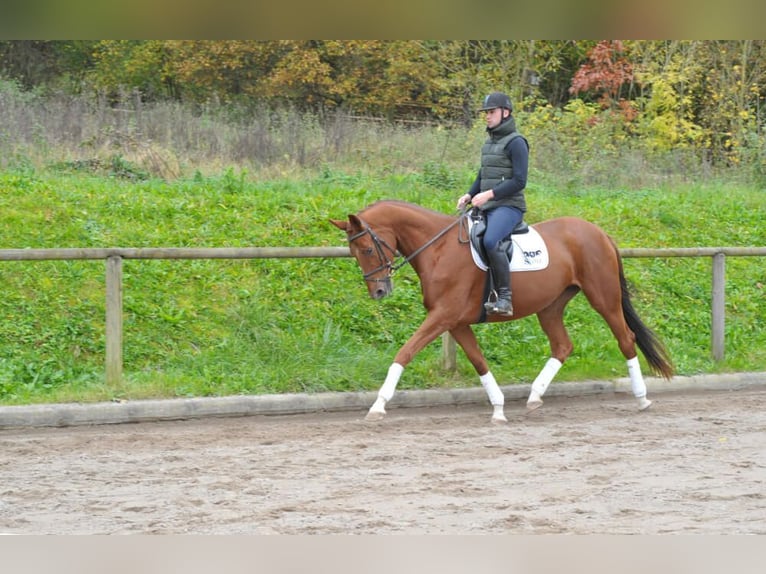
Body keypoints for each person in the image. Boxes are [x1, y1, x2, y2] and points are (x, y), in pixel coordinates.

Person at [456, 91, 529, 316]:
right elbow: (483, 174)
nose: (487, 117)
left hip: (509, 206)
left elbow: (519, 181)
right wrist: (469, 194)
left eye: (491, 112)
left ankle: (505, 298)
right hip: (489, 205)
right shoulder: (489, 143)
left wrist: (488, 195)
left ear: (505, 113)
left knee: (490, 240)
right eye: (486, 113)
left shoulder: (516, 143)